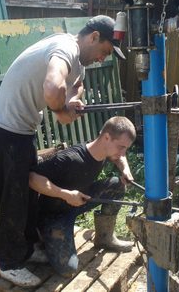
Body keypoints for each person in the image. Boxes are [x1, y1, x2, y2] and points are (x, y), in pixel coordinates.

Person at [0, 15, 126, 287]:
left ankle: (25, 249)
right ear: (94, 37)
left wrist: (73, 100)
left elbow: (75, 86)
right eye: (104, 52)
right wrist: (61, 109)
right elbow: (52, 89)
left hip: (23, 132)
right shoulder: (65, 49)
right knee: (13, 200)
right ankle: (9, 262)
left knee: (26, 195)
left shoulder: (77, 63)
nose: (102, 59)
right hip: (5, 133)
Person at [29, 116, 136, 277]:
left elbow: (120, 156)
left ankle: (105, 238)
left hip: (79, 201)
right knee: (68, 269)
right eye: (121, 147)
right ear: (106, 137)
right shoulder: (70, 159)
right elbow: (32, 178)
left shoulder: (104, 149)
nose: (122, 153)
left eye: (125, 148)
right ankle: (39, 241)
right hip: (53, 214)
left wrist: (125, 169)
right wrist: (65, 194)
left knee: (117, 185)